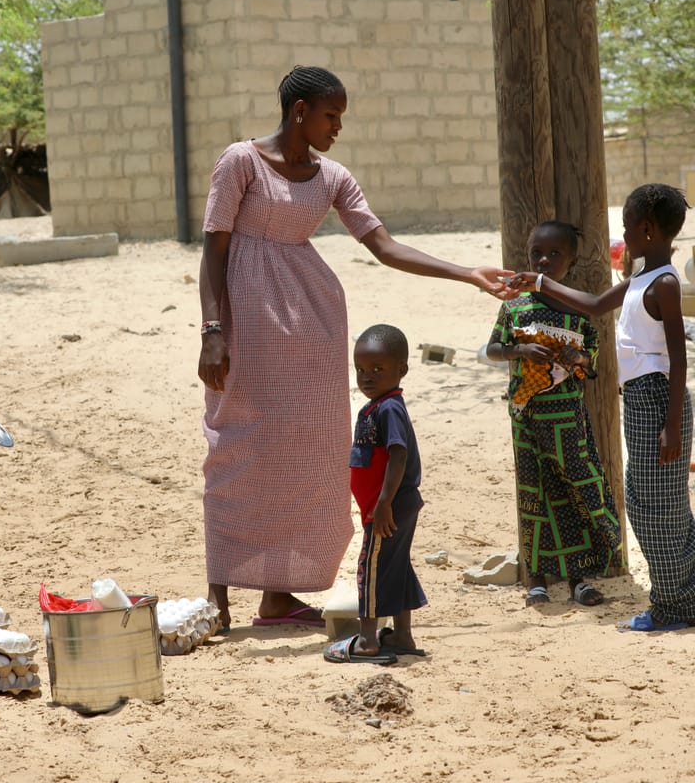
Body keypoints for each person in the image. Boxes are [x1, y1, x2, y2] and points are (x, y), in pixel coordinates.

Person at [197, 66, 513, 630]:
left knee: (308, 452)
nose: (338, 127)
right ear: (300, 111)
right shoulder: (239, 162)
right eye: (331, 115)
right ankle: (219, 602)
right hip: (246, 321)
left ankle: (277, 596)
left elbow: (384, 246)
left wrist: (468, 273)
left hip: (313, 323)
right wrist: (212, 331)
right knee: (237, 449)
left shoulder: (333, 176)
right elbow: (214, 251)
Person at [508, 186, 695, 631]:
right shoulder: (640, 278)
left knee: (655, 509)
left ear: (646, 230)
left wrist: (672, 426)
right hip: (642, 400)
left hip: (658, 400)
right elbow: (593, 305)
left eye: (627, 226)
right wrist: (536, 282)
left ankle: (674, 607)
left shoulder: (665, 284)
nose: (624, 234)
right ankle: (684, 596)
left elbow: (679, 359)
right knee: (650, 500)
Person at [486, 221, 623, 608]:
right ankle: (538, 579)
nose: (544, 260)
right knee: (534, 493)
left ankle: (579, 577)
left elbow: (591, 363)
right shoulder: (514, 305)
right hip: (527, 416)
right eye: (536, 254)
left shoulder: (580, 312)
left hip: (568, 420)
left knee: (575, 492)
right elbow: (493, 349)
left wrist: (575, 355)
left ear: (572, 261)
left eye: (554, 254)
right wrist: (520, 352)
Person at [323, 324, 426, 664]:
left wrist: (382, 504)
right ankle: (402, 634)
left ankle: (368, 640)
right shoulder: (379, 405)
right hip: (391, 504)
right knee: (395, 567)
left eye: (378, 370)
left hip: (388, 507)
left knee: (372, 568)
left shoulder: (389, 409)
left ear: (402, 370)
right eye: (361, 370)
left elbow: (399, 454)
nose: (367, 377)